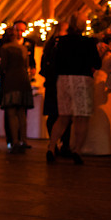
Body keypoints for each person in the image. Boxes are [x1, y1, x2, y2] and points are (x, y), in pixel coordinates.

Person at [46, 13, 102, 165]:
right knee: (81, 118)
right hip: (82, 80)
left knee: (63, 117)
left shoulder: (61, 42)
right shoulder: (88, 42)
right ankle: (77, 150)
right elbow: (97, 64)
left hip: (63, 80)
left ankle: (51, 147)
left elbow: (55, 64)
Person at [0, 19, 35, 154]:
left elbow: (3, 67)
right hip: (23, 80)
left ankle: (14, 141)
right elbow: (27, 65)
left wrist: (0, 70)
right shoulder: (24, 48)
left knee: (11, 112)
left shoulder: (5, 48)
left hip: (11, 80)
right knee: (21, 112)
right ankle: (24, 140)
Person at [39, 21, 71, 158]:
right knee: (61, 115)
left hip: (52, 83)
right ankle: (59, 144)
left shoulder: (49, 46)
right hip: (56, 83)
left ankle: (58, 144)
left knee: (56, 115)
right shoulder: (56, 46)